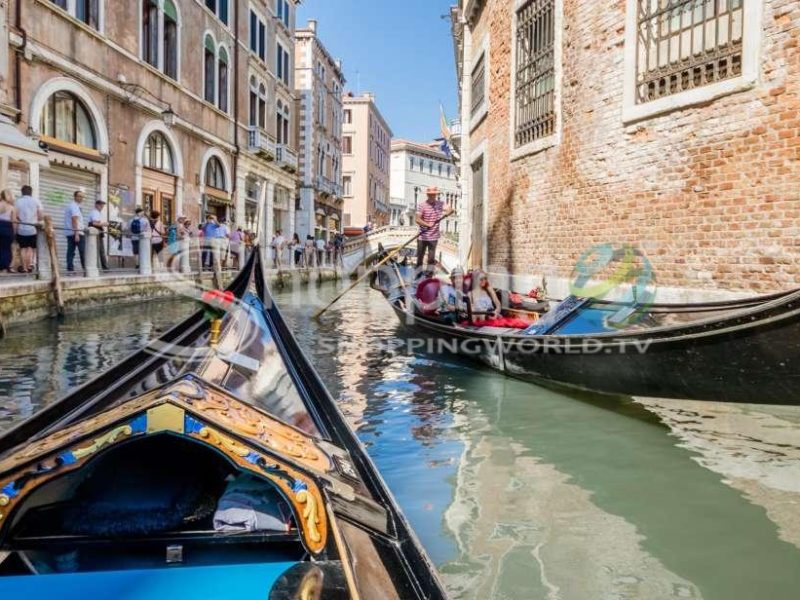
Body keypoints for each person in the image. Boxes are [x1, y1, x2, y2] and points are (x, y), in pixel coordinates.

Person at [415, 186, 454, 273]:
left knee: (431, 260)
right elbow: (417, 219)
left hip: (434, 237)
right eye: (431, 195)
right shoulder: (422, 206)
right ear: (427, 195)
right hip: (422, 236)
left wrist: (447, 213)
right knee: (420, 259)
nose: (432, 196)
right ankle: (417, 278)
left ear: (436, 195)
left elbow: (451, 210)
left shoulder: (440, 204)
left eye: (434, 195)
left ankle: (429, 278)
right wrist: (427, 224)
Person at [14, 185, 41, 273]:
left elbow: (15, 215)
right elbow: (40, 216)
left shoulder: (18, 202)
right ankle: (29, 267)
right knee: (30, 248)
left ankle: (24, 268)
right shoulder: (36, 201)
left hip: (21, 229)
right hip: (32, 229)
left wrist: (20, 220)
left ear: (22, 192)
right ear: (31, 192)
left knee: (23, 248)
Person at [64, 189, 86, 273]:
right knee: (82, 251)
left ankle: (70, 270)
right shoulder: (74, 206)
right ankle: (85, 269)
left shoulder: (72, 206)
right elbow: (74, 219)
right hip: (77, 233)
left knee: (70, 252)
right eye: (79, 196)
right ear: (75, 197)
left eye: (82, 197)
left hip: (70, 232)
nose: (81, 198)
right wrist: (76, 233)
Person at [88, 198, 110, 271]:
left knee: (99, 250)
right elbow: (94, 223)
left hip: (97, 233)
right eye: (101, 205)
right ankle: (104, 267)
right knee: (100, 250)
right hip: (96, 233)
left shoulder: (96, 212)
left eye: (102, 206)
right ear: (96, 205)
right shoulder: (95, 212)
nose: (102, 207)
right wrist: (104, 224)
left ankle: (102, 266)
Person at [0, 190, 15, 273]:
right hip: (7, 227)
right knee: (6, 248)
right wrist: (14, 232)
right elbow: (14, 221)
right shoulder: (11, 207)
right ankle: (4, 267)